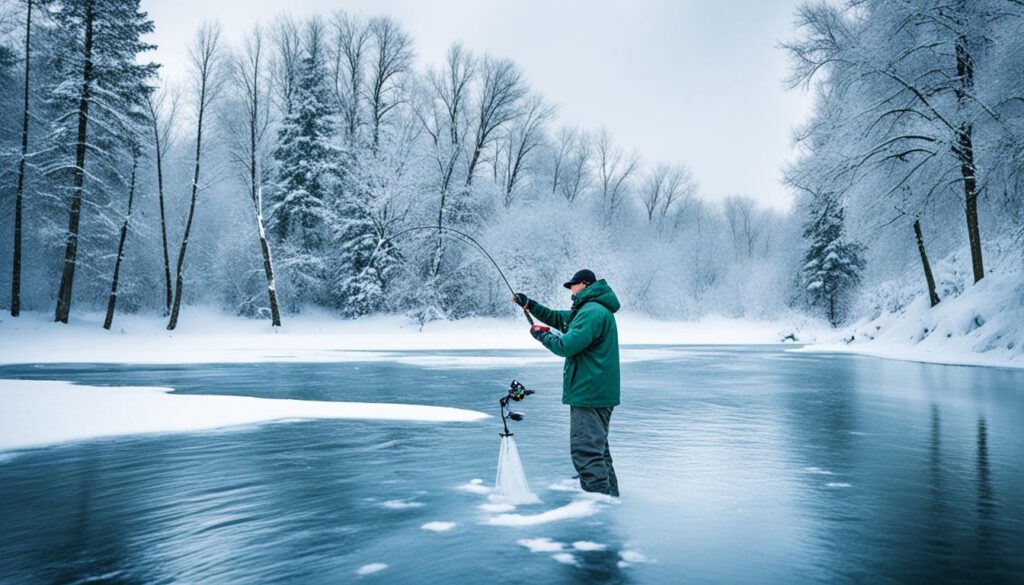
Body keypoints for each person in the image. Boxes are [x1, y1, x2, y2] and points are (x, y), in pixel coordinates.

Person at [513, 269, 621, 497]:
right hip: (596, 392)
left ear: (584, 284)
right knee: (598, 451)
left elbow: (565, 346)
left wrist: (541, 334)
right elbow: (558, 318)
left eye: (572, 285)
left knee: (586, 453)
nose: (570, 290)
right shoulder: (590, 309)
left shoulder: (591, 312)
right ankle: (609, 501)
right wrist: (529, 304)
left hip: (589, 394)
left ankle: (598, 506)